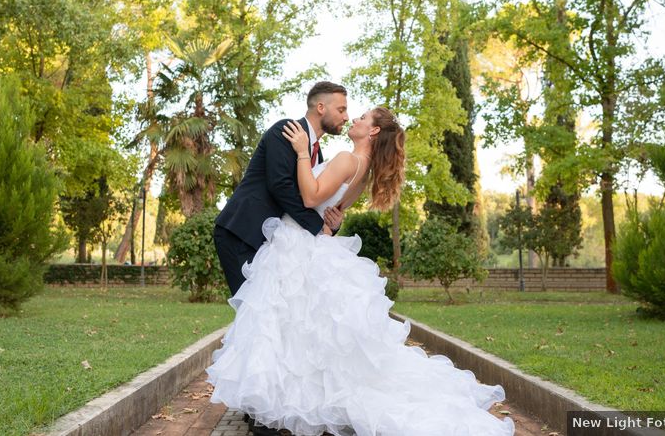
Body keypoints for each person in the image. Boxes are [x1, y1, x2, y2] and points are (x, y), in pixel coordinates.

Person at [207, 106, 515, 436]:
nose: (354, 119)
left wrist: (299, 152)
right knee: (303, 332)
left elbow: (309, 197)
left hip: (297, 245)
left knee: (283, 328)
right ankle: (275, 407)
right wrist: (330, 220)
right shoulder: (362, 170)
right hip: (312, 243)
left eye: (363, 118)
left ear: (373, 133)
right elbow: (332, 214)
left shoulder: (345, 158)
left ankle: (273, 406)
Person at [214, 81, 350, 297]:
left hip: (273, 242)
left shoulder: (317, 154)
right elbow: (280, 186)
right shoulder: (287, 130)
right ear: (321, 107)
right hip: (242, 232)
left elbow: (309, 199)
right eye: (341, 109)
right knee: (253, 310)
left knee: (273, 313)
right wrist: (317, 228)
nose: (346, 117)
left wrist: (330, 226)